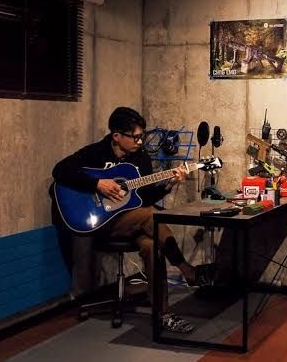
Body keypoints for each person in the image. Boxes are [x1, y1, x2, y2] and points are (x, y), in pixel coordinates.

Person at [52, 106, 200, 333]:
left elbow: (146, 197)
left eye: (142, 136)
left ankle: (163, 314)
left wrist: (169, 184)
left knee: (151, 246)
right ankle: (185, 267)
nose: (140, 142)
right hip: (99, 224)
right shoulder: (96, 152)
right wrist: (97, 184)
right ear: (116, 136)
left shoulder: (141, 159)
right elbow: (60, 170)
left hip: (131, 222)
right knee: (151, 215)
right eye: (136, 137)